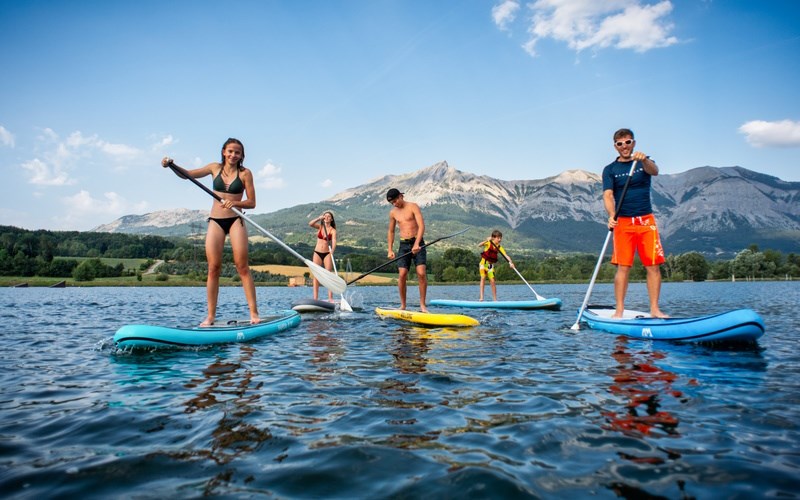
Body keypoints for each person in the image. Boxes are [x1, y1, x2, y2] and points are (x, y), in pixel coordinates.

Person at [162, 138, 260, 326]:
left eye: (237, 152)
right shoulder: (214, 168)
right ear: (224, 151)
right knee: (213, 268)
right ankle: (210, 316)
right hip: (216, 220)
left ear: (242, 155)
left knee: (242, 267)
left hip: (235, 220)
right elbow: (188, 175)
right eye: (230, 151)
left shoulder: (245, 174)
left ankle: (254, 313)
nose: (233, 155)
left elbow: (252, 202)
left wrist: (236, 203)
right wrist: (172, 165)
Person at [602, 128, 667, 319]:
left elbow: (655, 171)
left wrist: (644, 159)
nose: (624, 146)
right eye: (620, 143)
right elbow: (607, 195)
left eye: (628, 142)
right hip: (623, 222)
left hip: (646, 221)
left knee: (653, 265)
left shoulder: (644, 162)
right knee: (623, 267)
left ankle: (655, 310)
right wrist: (611, 215)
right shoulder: (610, 169)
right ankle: (619, 310)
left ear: (634, 143)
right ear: (615, 146)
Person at [386, 188, 428, 312]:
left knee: (421, 273)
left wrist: (416, 244)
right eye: (392, 203)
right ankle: (403, 305)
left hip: (418, 243)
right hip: (403, 245)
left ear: (400, 196)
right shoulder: (393, 213)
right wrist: (390, 249)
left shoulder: (413, 207)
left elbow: (421, 226)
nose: (394, 204)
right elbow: (391, 231)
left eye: (395, 201)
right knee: (402, 274)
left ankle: (422, 305)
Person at [477, 230, 515, 301]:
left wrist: (511, 263)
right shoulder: (489, 243)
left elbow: (506, 255)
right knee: (483, 278)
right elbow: (479, 245)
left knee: (493, 281)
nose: (500, 239)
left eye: (501, 238)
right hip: (483, 264)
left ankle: (495, 299)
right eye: (498, 238)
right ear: (493, 238)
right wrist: (486, 240)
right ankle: (481, 298)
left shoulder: (499, 247)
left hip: (490, 266)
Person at [308, 211, 337, 302]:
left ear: (331, 219)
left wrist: (332, 250)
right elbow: (310, 224)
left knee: (328, 274)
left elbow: (334, 241)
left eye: (329, 216)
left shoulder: (333, 230)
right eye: (325, 216)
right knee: (316, 275)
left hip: (327, 253)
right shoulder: (320, 227)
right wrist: (318, 218)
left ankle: (330, 298)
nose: (327, 217)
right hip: (317, 252)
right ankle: (315, 298)